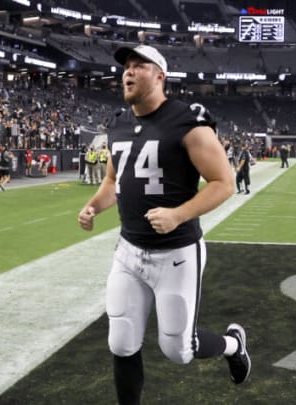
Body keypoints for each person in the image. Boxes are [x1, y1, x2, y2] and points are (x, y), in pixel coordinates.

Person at [77, 45, 250, 404]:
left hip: (176, 255)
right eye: (126, 66)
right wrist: (93, 206)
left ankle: (233, 346)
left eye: (139, 65)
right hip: (128, 252)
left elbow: (224, 182)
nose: (129, 71)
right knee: (121, 342)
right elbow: (114, 181)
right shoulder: (119, 124)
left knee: (179, 350)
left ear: (160, 75)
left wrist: (178, 214)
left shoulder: (187, 120)